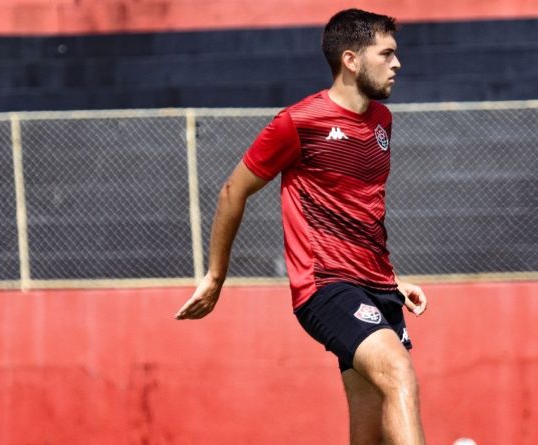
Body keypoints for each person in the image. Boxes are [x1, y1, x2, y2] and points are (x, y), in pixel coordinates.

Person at [174, 8, 428, 445]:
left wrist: (391, 280)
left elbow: (360, 212)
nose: (397, 64)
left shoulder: (382, 122)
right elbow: (232, 192)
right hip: (325, 287)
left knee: (371, 428)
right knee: (399, 374)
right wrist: (216, 276)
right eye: (386, 54)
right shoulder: (298, 122)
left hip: (377, 286)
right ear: (351, 59)